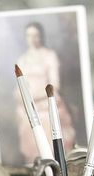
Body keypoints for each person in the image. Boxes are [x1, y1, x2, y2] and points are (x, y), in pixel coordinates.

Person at [15, 22, 75, 164]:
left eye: (35, 35)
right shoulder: (22, 60)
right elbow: (18, 89)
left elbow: (55, 84)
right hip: (28, 108)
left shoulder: (49, 55)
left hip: (47, 103)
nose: (32, 38)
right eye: (29, 35)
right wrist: (20, 96)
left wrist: (35, 97)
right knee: (26, 125)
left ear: (41, 36)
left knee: (48, 126)